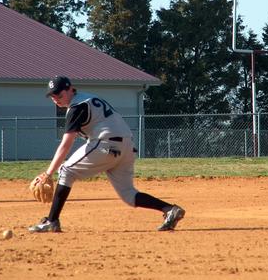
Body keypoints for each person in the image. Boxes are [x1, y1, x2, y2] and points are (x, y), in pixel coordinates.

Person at [28, 76, 185, 233]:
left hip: (107, 143)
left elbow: (66, 143)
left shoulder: (77, 106)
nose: (56, 100)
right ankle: (169, 209)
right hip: (127, 146)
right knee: (129, 195)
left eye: (59, 95)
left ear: (70, 89)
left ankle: (52, 221)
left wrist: (48, 173)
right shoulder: (88, 98)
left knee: (66, 170)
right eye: (52, 97)